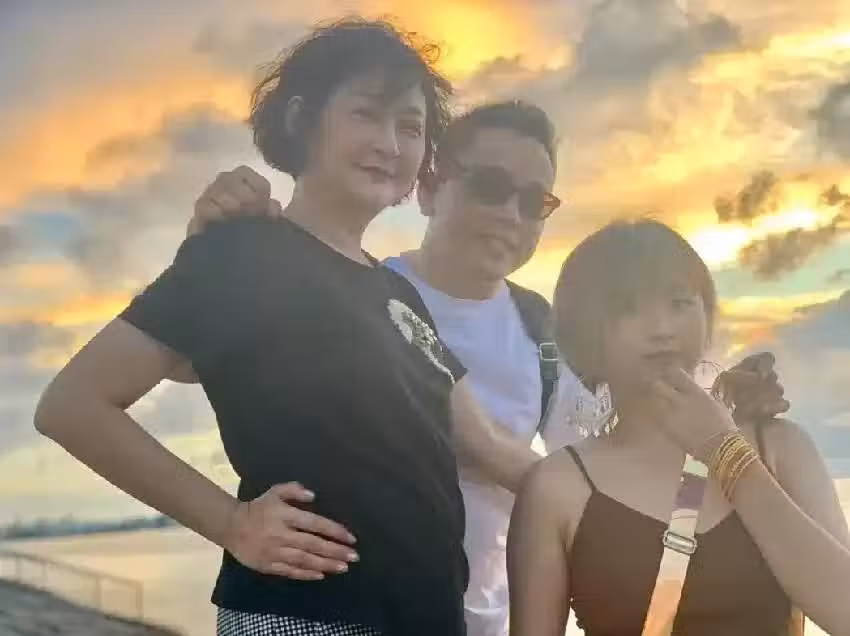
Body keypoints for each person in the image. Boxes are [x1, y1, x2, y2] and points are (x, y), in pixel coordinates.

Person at [185, 102, 789, 635]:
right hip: (342, 611)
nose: (511, 215)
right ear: (429, 188)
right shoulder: (360, 291)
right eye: (490, 187)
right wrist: (213, 242)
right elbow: (200, 359)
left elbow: (613, 466)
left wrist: (727, 411)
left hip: (488, 619)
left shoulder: (545, 331)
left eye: (534, 202)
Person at [34, 19, 542, 636]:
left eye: (410, 127)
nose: (389, 142)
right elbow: (72, 405)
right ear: (302, 119)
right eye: (367, 114)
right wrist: (231, 522)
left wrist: (616, 486)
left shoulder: (397, 292)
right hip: (307, 616)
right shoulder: (244, 250)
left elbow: (484, 443)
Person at [507, 219, 850, 636]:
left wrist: (725, 451)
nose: (662, 330)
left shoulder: (779, 447)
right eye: (627, 309)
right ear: (583, 335)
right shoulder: (558, 487)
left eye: (679, 303)